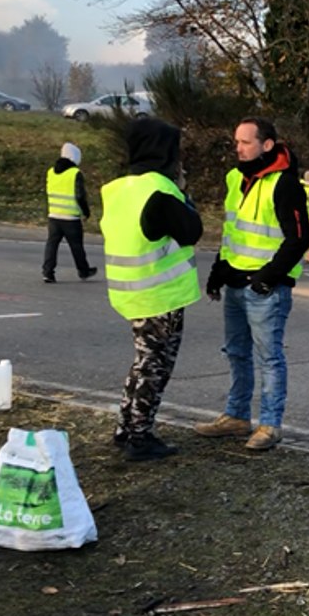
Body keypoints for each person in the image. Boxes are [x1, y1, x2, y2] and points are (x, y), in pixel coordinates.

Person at [195, 117, 309, 451]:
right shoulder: (236, 178)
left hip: (266, 289)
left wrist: (268, 278)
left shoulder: (284, 184)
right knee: (236, 353)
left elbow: (298, 238)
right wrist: (218, 272)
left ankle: (270, 426)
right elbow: (232, 234)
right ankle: (236, 416)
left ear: (267, 145)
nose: (238, 148)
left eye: (246, 142)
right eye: (236, 142)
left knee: (269, 358)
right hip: (235, 282)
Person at [101, 118, 203, 461]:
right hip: (162, 296)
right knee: (155, 367)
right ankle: (140, 437)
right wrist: (185, 194)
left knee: (142, 362)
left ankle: (124, 426)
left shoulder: (119, 190)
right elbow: (191, 231)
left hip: (131, 293)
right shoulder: (160, 191)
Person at [42, 142, 97, 283]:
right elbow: (80, 196)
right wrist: (86, 212)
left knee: (52, 245)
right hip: (71, 218)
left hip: (53, 215)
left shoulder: (50, 171)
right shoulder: (75, 173)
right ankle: (83, 271)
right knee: (76, 246)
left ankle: (48, 273)